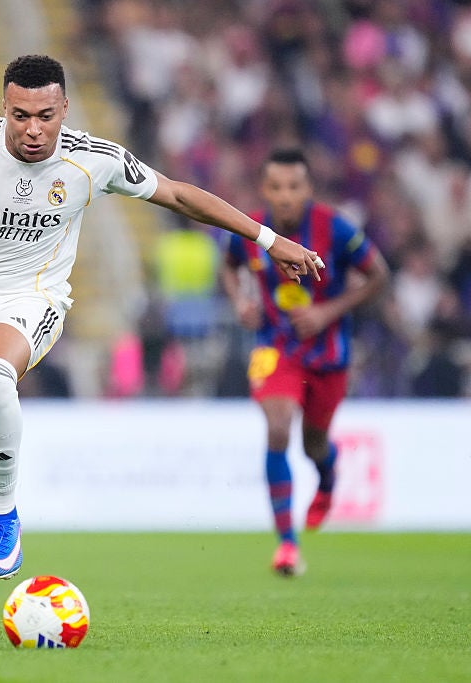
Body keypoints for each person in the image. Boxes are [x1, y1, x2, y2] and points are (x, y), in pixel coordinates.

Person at [0, 54, 325, 632]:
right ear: (3, 107)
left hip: (32, 298)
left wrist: (268, 238)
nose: (31, 129)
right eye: (19, 115)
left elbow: (175, 194)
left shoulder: (92, 158)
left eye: (45, 115)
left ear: (64, 109)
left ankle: (2, 510)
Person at [221, 148, 388, 577]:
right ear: (264, 189)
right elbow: (228, 262)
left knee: (315, 444)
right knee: (278, 429)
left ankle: (328, 477)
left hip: (329, 355)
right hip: (273, 347)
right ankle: (287, 545)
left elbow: (378, 275)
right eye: (276, 187)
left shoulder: (335, 229)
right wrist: (241, 299)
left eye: (294, 187)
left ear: (308, 189)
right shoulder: (252, 230)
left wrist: (327, 312)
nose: (285, 197)